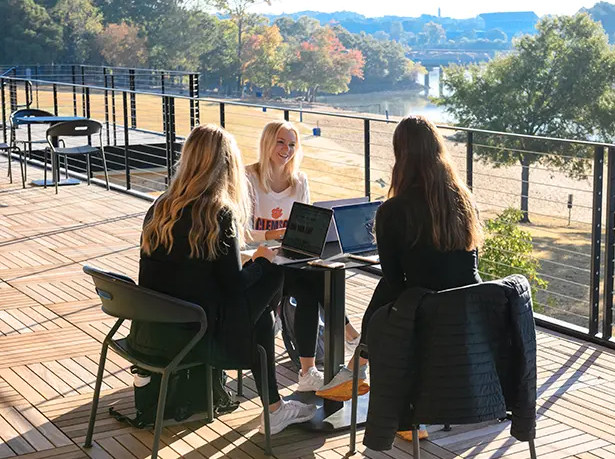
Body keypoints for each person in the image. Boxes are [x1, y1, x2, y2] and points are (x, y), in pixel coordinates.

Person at [130, 123, 316, 435]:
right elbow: (234, 286)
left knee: (262, 319)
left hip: (155, 329)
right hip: (204, 334)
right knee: (275, 273)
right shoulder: (219, 214)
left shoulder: (160, 206)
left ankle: (275, 408)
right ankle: (278, 403)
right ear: (227, 166)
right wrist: (260, 260)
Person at [317, 115, 485, 440]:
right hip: (468, 315)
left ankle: (362, 373)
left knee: (388, 306)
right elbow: (467, 267)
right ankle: (357, 368)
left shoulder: (393, 210)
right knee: (396, 302)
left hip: (425, 317)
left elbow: (394, 280)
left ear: (400, 155)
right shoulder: (464, 200)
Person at [246, 120, 361, 392]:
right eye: (281, 142)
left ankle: (310, 371)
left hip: (291, 258)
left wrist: (298, 237)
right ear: (267, 143)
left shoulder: (300, 181)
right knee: (311, 281)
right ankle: (347, 334)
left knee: (311, 280)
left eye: (292, 145)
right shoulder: (247, 177)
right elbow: (242, 231)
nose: (287, 149)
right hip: (258, 259)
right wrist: (276, 234)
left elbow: (308, 226)